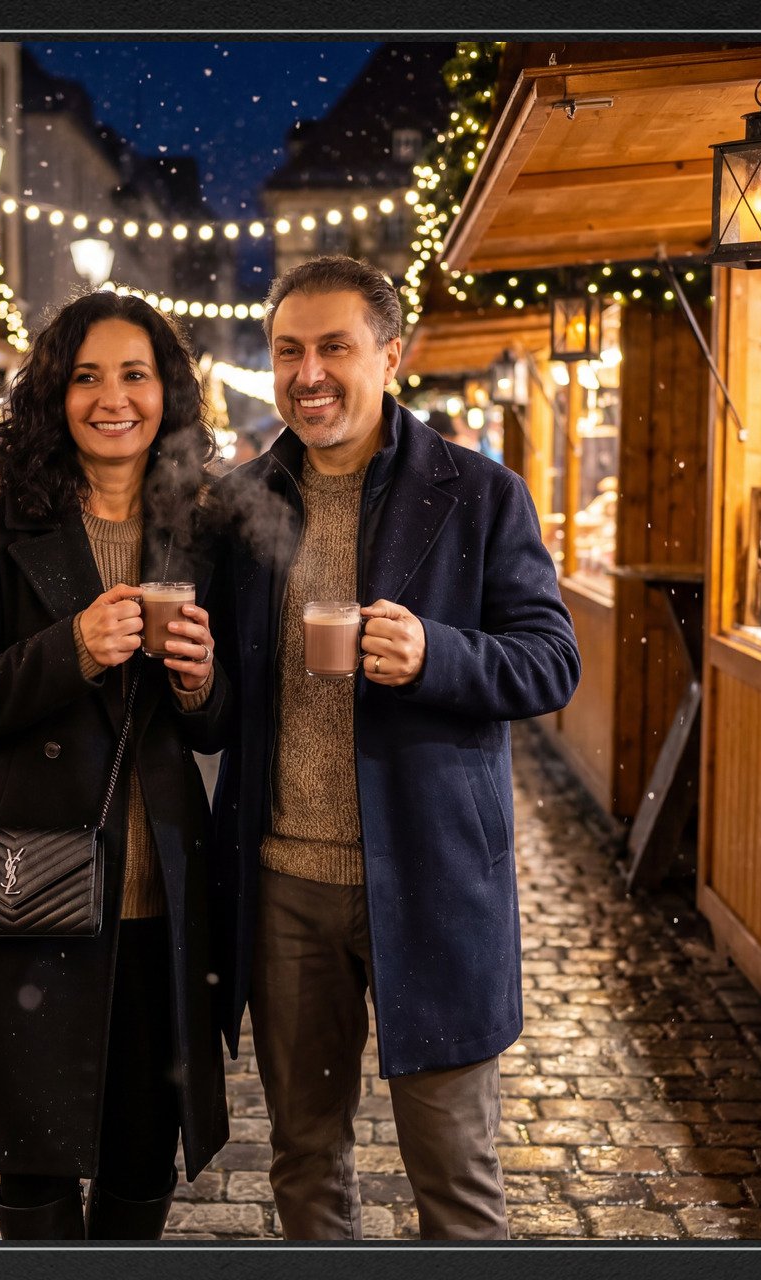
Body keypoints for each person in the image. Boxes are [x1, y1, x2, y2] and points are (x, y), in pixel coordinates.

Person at [201, 256, 579, 1239]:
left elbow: (549, 663)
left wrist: (435, 652)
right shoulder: (242, 503)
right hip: (285, 886)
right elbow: (222, 708)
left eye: (334, 347)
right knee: (307, 1160)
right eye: (289, 350)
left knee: (455, 1178)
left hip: (436, 879)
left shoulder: (479, 493)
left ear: (391, 355)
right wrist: (196, 678)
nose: (308, 373)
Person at [0, 292, 230, 1240]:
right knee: (32, 1165)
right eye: (86, 377)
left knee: (140, 1157)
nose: (111, 399)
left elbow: (215, 729)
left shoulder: (203, 530)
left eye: (134, 375)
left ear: (167, 393)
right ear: (53, 394)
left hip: (157, 893)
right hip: (26, 883)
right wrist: (71, 647)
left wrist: (201, 683)